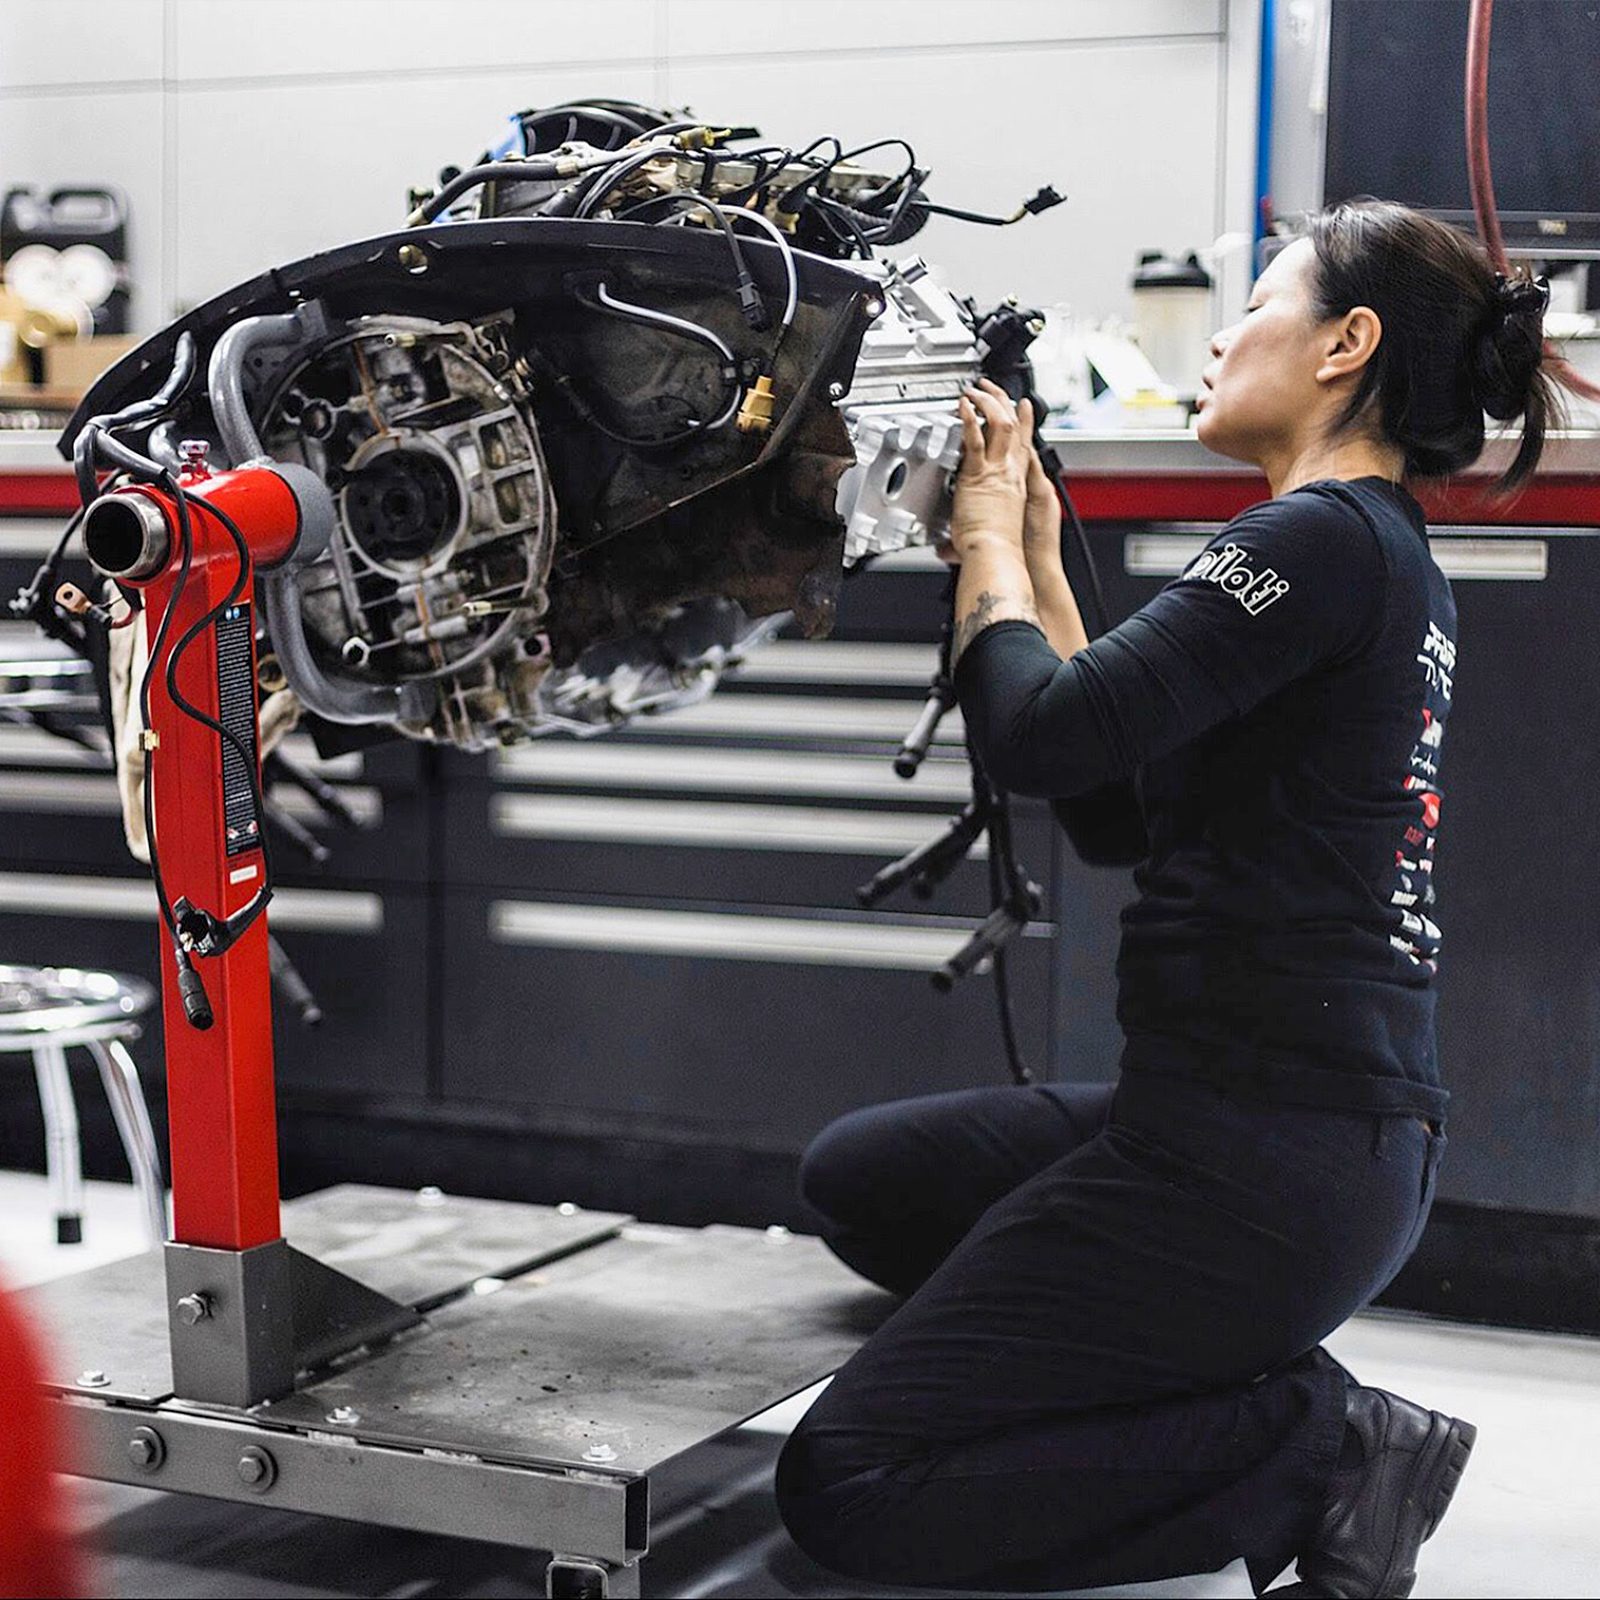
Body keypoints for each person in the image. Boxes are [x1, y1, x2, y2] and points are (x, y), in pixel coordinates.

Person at [773, 199, 1561, 1599]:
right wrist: (1023, 531)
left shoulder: (1322, 539)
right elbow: (1114, 803)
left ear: (1346, 345)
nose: (1217, 341)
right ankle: (1214, 1345)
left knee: (848, 1482)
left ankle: (1319, 1446)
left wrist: (986, 551)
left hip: (1264, 1159)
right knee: (867, 1182)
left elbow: (1037, 739)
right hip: (1279, 1135)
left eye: (1258, 303)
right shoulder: (1364, 554)